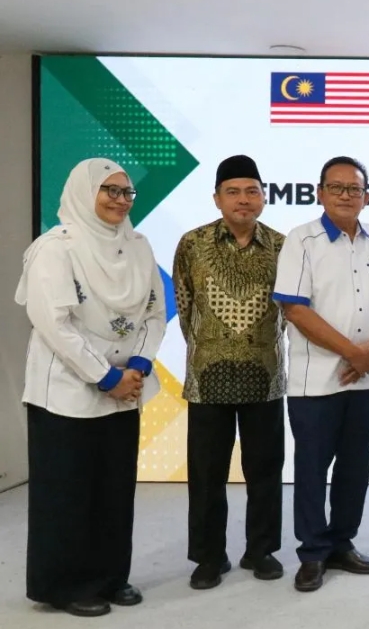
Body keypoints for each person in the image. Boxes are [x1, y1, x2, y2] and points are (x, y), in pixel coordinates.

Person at [16, 158, 166, 617]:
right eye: (109, 191)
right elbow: (54, 324)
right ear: (85, 193)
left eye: (126, 192)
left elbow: (155, 314)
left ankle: (110, 577)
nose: (120, 200)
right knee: (66, 492)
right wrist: (106, 377)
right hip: (67, 391)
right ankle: (64, 586)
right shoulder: (55, 249)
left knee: (114, 489)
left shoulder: (138, 245)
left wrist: (137, 367)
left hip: (125, 389)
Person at [273, 156, 369, 592]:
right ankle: (312, 552)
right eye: (337, 187)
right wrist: (352, 353)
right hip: (316, 380)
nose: (346, 195)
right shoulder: (302, 240)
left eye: (355, 189)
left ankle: (342, 543)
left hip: (368, 378)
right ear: (320, 192)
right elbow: (294, 308)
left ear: (367, 196)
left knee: (354, 465)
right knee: (312, 467)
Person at [173, 155, 287, 590]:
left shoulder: (282, 246)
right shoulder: (193, 243)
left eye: (251, 191)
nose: (243, 199)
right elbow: (185, 306)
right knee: (206, 474)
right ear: (217, 198)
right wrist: (211, 346)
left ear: (264, 197)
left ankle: (261, 550)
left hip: (265, 377)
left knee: (265, 470)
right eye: (233, 192)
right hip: (207, 378)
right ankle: (208, 557)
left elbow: (290, 308)